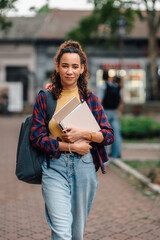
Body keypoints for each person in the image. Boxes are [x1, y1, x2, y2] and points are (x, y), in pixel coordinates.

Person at [30, 40, 114, 240]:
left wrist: (84, 134)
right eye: (65, 65)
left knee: (76, 234)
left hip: (84, 169)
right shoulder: (45, 98)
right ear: (57, 67)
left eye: (75, 66)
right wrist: (69, 146)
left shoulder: (90, 98)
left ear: (82, 69)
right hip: (54, 168)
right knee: (61, 231)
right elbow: (36, 137)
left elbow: (108, 135)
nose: (70, 71)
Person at [101, 70, 123, 158]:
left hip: (105, 112)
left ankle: (105, 154)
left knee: (105, 133)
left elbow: (100, 100)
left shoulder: (102, 86)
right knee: (116, 133)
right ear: (109, 77)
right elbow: (121, 100)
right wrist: (119, 111)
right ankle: (116, 154)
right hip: (114, 112)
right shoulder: (116, 86)